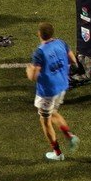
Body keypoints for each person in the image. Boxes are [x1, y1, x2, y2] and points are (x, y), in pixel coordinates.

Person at [26, 21, 79, 160]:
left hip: (47, 92)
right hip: (62, 86)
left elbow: (33, 76)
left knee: (45, 121)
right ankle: (69, 136)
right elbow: (73, 60)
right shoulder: (61, 43)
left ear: (39, 34)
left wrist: (29, 70)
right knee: (53, 112)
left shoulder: (39, 52)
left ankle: (57, 153)